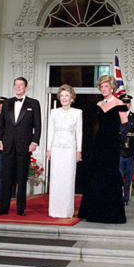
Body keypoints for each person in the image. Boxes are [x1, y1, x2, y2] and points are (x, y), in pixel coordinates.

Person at [78, 75, 128, 224]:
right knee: (96, 175)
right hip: (99, 143)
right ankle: (95, 212)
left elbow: (124, 125)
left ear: (112, 87)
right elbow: (93, 125)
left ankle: (112, 214)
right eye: (102, 87)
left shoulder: (119, 103)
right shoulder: (98, 104)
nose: (104, 89)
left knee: (111, 175)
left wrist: (120, 141)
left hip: (112, 143)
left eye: (106, 86)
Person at [0, 77, 41, 216]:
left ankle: (21, 209)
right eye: (16, 85)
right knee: (6, 177)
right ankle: (3, 208)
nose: (18, 87)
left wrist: (34, 142)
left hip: (24, 146)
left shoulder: (33, 103)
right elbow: (1, 124)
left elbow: (38, 125)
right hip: (8, 145)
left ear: (26, 87)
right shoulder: (7, 103)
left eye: (21, 85)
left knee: (21, 178)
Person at [46, 84, 82, 218]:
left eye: (67, 95)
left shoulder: (78, 112)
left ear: (72, 98)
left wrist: (79, 150)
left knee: (68, 179)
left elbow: (79, 133)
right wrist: (48, 149)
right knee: (56, 178)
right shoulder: (54, 112)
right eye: (62, 95)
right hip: (56, 148)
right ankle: (54, 210)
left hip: (70, 149)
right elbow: (51, 131)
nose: (64, 98)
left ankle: (66, 211)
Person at [118, 94, 134, 206]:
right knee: (119, 175)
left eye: (128, 102)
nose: (126, 104)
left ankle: (126, 198)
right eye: (124, 102)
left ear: (130, 104)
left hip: (131, 150)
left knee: (128, 176)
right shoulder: (117, 116)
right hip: (119, 150)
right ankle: (118, 196)